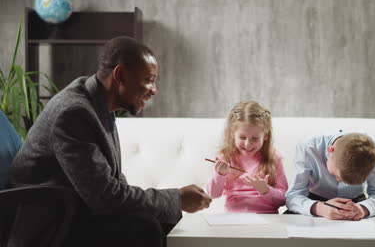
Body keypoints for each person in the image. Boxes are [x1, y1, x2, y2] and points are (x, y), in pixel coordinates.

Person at [7, 36, 212, 247]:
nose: (154, 89)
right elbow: (104, 197)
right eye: (149, 79)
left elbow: (111, 182)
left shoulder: (98, 104)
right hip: (48, 225)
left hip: (76, 209)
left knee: (164, 220)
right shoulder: (73, 113)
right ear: (120, 75)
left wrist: (171, 202)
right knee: (144, 227)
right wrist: (176, 198)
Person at [205, 101, 288, 213]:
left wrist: (266, 190)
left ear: (266, 135)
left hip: (268, 218)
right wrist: (219, 174)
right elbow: (212, 194)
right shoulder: (225, 156)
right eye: (242, 137)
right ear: (232, 134)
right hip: (234, 219)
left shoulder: (274, 158)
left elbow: (283, 200)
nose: (247, 144)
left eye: (254, 138)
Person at [285, 133, 375, 220]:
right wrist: (320, 208)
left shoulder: (373, 151)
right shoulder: (308, 148)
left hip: (356, 203)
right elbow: (293, 196)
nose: (340, 181)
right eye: (336, 175)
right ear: (330, 150)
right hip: (314, 201)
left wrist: (363, 209)